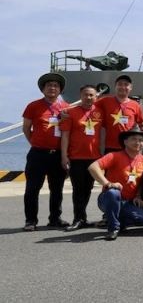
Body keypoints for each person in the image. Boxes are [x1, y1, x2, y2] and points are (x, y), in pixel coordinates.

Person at [22, 72, 70, 231]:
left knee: (57, 189)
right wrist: (36, 143)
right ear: (42, 89)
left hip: (57, 155)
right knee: (32, 189)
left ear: (60, 90)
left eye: (56, 86)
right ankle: (30, 220)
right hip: (38, 154)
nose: (52, 88)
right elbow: (26, 128)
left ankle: (55, 218)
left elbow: (68, 132)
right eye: (48, 85)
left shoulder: (66, 107)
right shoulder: (33, 106)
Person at [88, 129, 143, 240]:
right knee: (113, 192)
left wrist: (138, 195)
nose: (138, 143)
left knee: (142, 219)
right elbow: (93, 167)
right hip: (109, 199)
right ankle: (113, 228)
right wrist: (107, 183)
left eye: (141, 140)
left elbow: (142, 182)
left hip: (129, 202)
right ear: (125, 142)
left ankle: (115, 219)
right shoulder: (114, 156)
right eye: (134, 139)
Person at [59, 83, 103, 231]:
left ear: (96, 97)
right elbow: (65, 135)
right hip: (76, 157)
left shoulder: (100, 112)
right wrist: (64, 156)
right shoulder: (70, 112)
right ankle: (77, 218)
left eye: (92, 95)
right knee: (78, 189)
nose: (88, 97)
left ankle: (83, 218)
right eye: (85, 94)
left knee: (88, 188)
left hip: (94, 158)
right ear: (80, 96)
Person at [96, 74, 143, 153]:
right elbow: (88, 105)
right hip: (110, 147)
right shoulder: (105, 101)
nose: (123, 87)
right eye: (120, 84)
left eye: (126, 85)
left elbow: (141, 123)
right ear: (115, 87)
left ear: (131, 88)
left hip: (129, 147)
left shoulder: (135, 105)